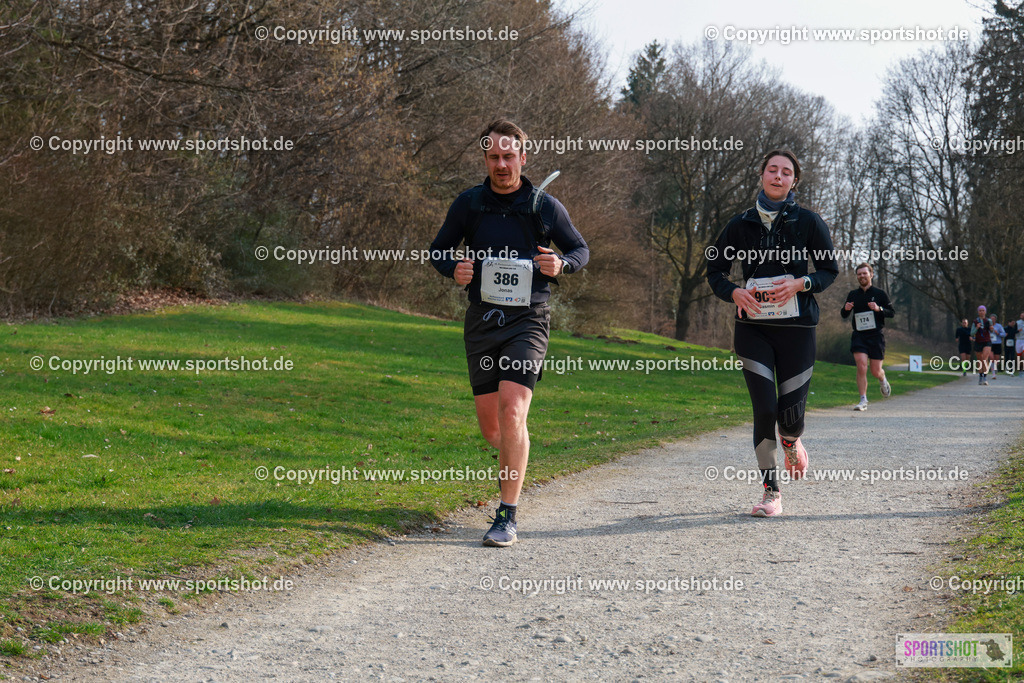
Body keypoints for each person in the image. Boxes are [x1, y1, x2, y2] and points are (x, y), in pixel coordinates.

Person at [429, 119, 589, 546]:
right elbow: (439, 250)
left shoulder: (543, 206)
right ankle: (515, 449)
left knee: (513, 409)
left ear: (523, 156)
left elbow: (579, 249)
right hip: (482, 321)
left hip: (529, 319)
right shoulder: (470, 204)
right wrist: (454, 269)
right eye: (494, 156)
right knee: (494, 429)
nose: (502, 164)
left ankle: (506, 515)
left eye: (509, 155)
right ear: (485, 158)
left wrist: (562, 265)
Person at [707, 149, 839, 517]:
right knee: (764, 409)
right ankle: (771, 491)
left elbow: (829, 270)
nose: (778, 176)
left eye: (786, 172)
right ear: (762, 175)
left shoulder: (809, 222)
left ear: (794, 181)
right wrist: (733, 291)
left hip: (797, 330)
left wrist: (801, 283)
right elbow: (715, 270)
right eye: (772, 170)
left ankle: (793, 441)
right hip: (754, 329)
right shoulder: (740, 224)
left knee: (790, 417)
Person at [841, 263, 894, 411]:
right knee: (861, 365)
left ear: (871, 275)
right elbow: (844, 314)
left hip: (876, 335)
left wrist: (879, 309)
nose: (862, 276)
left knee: (875, 371)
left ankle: (882, 379)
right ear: (857, 276)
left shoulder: (880, 293)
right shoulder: (853, 294)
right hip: (859, 335)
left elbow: (892, 312)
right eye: (859, 274)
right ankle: (863, 400)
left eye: (864, 273)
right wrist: (845, 309)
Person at [969, 305, 993, 385]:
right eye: (980, 310)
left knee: (984, 358)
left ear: (985, 312)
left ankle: (985, 377)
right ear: (978, 312)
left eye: (983, 310)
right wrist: (976, 328)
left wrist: (992, 329)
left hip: (987, 341)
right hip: (978, 342)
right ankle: (980, 376)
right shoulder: (975, 321)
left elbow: (991, 331)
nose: (981, 312)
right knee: (979, 360)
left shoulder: (989, 320)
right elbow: (972, 333)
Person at [990, 313, 1005, 378]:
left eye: (994, 319)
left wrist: (998, 333)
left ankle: (995, 368)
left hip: (997, 344)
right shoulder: (987, 326)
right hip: (989, 344)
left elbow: (1004, 334)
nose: (992, 320)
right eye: (991, 319)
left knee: (997, 360)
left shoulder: (999, 326)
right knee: (992, 358)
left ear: (995, 319)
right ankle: (993, 373)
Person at [1015, 312, 1024, 376]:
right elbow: (1014, 331)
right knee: (1019, 357)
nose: (1022, 316)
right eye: (1021, 315)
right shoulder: (1017, 323)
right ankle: (1020, 370)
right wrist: (1018, 331)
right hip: (1018, 340)